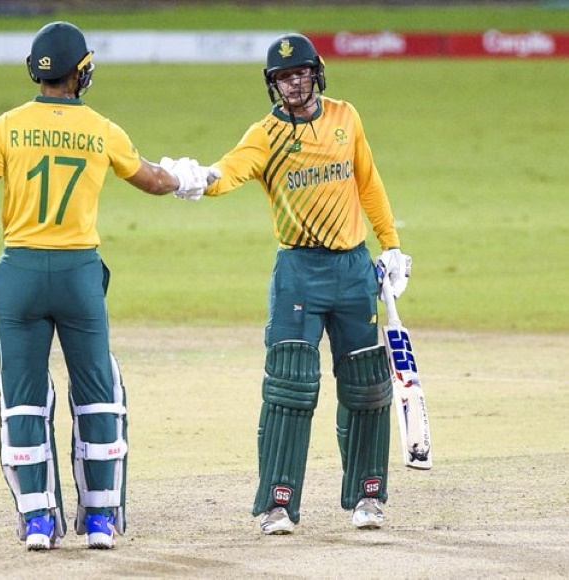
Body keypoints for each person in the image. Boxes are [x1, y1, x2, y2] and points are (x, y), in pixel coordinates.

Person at [0, 21, 217, 551]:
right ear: (79, 73)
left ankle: (38, 522)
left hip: (19, 276)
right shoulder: (101, 129)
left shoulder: (6, 126)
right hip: (79, 276)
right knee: (98, 393)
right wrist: (186, 178)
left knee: (22, 399)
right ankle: (101, 520)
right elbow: (152, 180)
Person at [173, 33, 411, 532]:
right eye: (283, 77)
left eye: (300, 73)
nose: (294, 84)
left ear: (316, 73)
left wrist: (389, 245)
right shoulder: (266, 134)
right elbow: (232, 170)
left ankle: (367, 496)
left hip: (353, 268)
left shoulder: (346, 117)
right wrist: (200, 179)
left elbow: (368, 181)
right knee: (290, 386)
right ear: (273, 84)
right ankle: (277, 504)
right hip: (299, 271)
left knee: (366, 386)